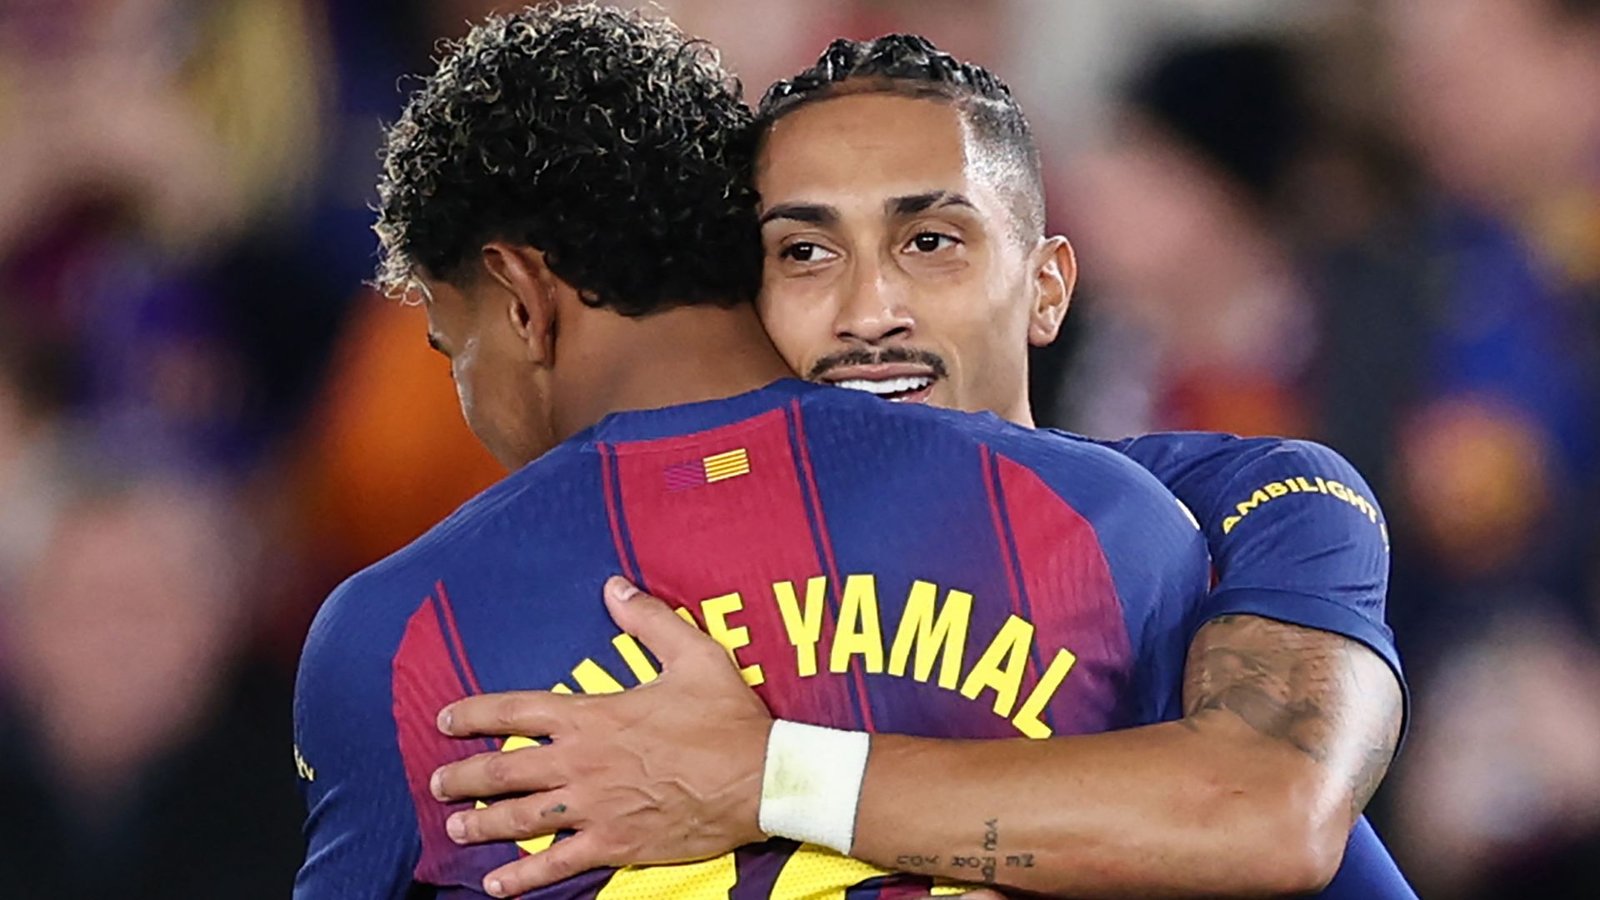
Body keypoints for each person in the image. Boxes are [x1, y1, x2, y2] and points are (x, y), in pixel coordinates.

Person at [417, 19, 1412, 900]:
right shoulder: (676, 593)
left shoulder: (1253, 500)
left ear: (1046, 289)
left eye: (931, 241)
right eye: (805, 252)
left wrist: (767, 778)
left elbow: (1266, 814)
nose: (867, 312)